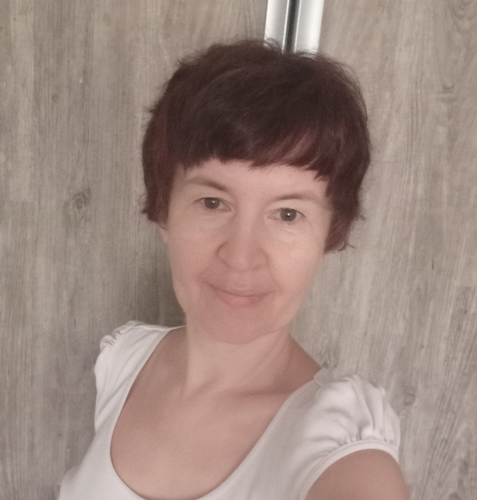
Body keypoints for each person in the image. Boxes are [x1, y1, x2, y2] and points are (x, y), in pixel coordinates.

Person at [59, 40, 408, 500]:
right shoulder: (124, 360)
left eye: (287, 214)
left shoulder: (340, 445)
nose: (241, 256)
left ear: (330, 233)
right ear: (164, 211)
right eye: (212, 202)